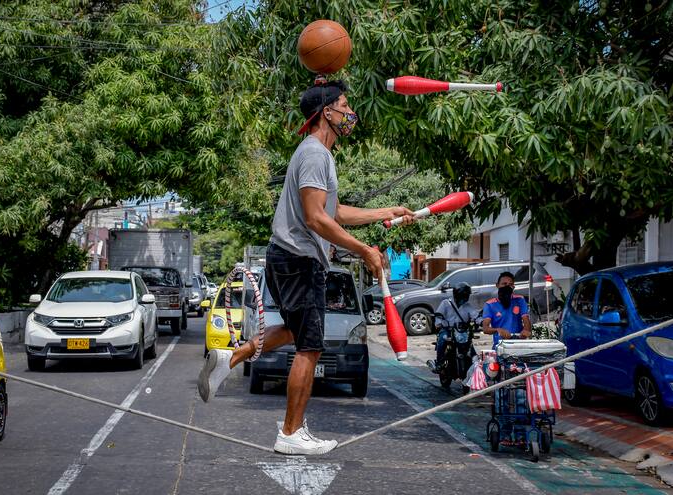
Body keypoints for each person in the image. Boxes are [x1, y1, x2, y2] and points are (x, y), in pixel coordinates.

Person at [197, 79, 415, 455]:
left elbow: (334, 212)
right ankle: (290, 433)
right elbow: (316, 219)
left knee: (298, 332)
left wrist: (385, 212)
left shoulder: (318, 155)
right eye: (344, 106)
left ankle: (232, 357)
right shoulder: (315, 153)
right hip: (299, 259)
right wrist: (364, 250)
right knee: (311, 347)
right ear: (326, 112)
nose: (350, 113)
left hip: (289, 257)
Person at [426, 283, 479, 373]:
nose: (465, 297)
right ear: (457, 295)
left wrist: (481, 321)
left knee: (470, 345)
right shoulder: (446, 303)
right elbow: (438, 316)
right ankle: (440, 363)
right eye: (463, 295)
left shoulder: (467, 306)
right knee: (442, 340)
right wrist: (438, 323)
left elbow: (475, 316)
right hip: (447, 330)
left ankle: (476, 365)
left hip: (462, 331)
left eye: (466, 295)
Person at [481, 271, 532, 348]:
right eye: (504, 284)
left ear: (513, 287)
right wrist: (498, 330)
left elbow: (526, 319)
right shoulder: (489, 304)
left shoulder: (520, 299)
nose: (507, 287)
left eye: (510, 284)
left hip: (518, 344)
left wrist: (526, 330)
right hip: (500, 345)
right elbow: (485, 329)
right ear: (497, 285)